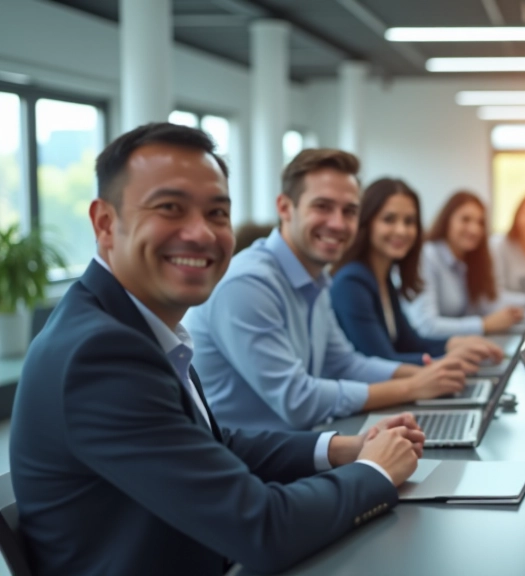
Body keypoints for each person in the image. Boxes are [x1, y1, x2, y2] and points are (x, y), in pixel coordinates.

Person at [10, 123, 425, 576]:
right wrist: (375, 472)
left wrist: (344, 448)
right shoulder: (101, 354)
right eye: (170, 208)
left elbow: (210, 442)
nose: (201, 233)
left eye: (217, 213)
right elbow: (263, 528)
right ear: (105, 223)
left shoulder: (128, 322)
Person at [185, 149, 470, 432]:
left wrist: (429, 374)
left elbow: (345, 365)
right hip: (245, 457)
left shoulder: (316, 280)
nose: (338, 223)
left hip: (296, 443)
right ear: (284, 208)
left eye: (349, 211)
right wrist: (412, 387)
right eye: (322, 206)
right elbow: (298, 401)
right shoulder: (247, 284)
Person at [331, 178, 505, 365]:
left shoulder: (383, 279)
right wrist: (444, 362)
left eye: (409, 221)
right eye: (389, 219)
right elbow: (382, 362)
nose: (401, 230)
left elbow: (411, 343)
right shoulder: (352, 282)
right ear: (367, 222)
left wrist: (455, 344)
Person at [404, 190, 525, 338]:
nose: (474, 229)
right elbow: (426, 326)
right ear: (447, 220)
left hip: (464, 345)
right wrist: (484, 324)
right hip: (435, 349)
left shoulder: (470, 260)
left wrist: (512, 311)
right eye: (465, 219)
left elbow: (488, 302)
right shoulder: (427, 256)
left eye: (480, 223)